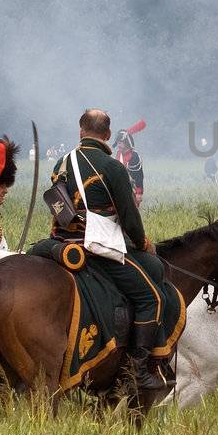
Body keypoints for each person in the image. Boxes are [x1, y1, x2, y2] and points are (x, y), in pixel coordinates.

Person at [52, 109, 181, 390]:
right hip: (97, 247)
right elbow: (129, 216)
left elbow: (56, 204)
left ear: (80, 131)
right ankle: (136, 368)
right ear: (108, 135)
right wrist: (142, 242)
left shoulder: (62, 164)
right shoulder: (112, 168)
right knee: (152, 298)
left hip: (61, 242)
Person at [113, 120, 147, 203]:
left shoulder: (134, 156)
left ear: (127, 143)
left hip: (130, 189)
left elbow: (138, 176)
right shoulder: (118, 154)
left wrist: (139, 193)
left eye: (121, 143)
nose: (119, 145)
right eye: (118, 143)